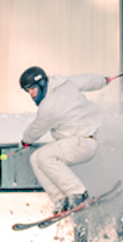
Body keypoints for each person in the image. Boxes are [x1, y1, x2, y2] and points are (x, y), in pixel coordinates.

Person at [17, 65, 108, 217]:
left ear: (42, 84)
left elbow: (36, 129)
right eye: (28, 91)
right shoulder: (64, 83)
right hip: (78, 140)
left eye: (33, 89)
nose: (31, 94)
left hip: (83, 142)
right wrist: (103, 80)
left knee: (46, 157)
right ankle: (60, 199)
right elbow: (87, 80)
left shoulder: (49, 108)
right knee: (35, 158)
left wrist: (25, 141)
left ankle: (77, 193)